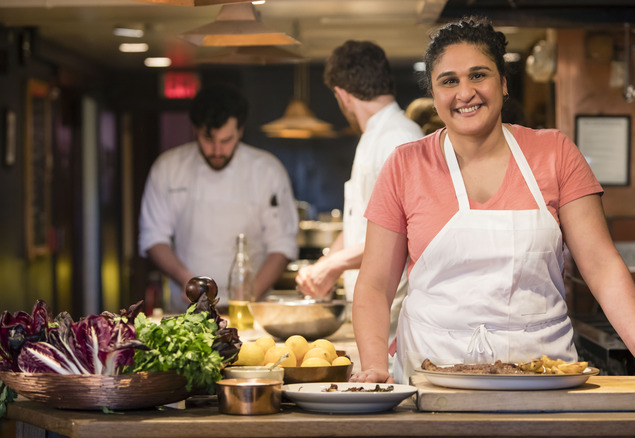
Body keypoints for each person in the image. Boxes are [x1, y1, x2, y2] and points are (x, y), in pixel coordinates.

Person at [349, 17, 635, 385]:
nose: (465, 92)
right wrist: (375, 367)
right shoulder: (406, 165)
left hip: (542, 377)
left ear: (503, 83)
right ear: (434, 92)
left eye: (479, 75)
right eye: (449, 81)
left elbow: (601, 266)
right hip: (430, 377)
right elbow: (376, 284)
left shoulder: (554, 152)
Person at [295, 41, 424, 366]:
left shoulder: (399, 138)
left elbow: (405, 236)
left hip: (394, 320)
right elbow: (360, 225)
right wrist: (323, 266)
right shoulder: (373, 137)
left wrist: (332, 266)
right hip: (372, 315)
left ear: (342, 94)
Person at [139, 84, 299, 314]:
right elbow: (153, 238)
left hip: (252, 311)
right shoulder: (168, 168)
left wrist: (247, 298)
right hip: (186, 308)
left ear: (240, 131)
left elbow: (282, 244)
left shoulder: (267, 170)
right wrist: (191, 286)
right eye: (208, 139)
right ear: (195, 129)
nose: (216, 150)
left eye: (226, 140)